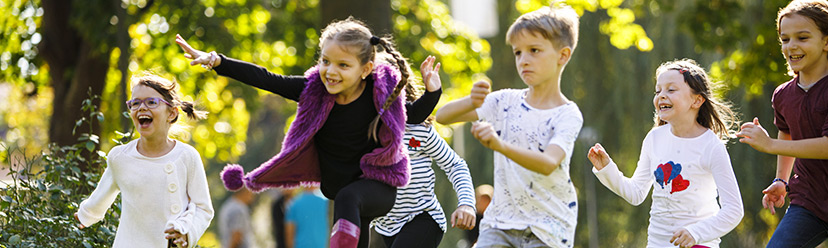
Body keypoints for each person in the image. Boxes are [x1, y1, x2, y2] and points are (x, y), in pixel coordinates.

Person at [176, 16, 441, 248]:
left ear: (366, 70)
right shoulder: (313, 91)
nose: (330, 72)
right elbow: (267, 79)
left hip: (379, 186)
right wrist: (216, 61)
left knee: (351, 197)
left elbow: (414, 115)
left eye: (343, 65)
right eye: (325, 61)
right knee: (349, 207)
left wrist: (433, 92)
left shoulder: (379, 94)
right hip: (339, 187)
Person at [435, 4, 584, 247]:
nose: (524, 60)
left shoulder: (567, 114)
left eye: (534, 50)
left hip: (547, 229)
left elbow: (547, 163)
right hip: (500, 223)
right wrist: (470, 101)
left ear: (563, 55)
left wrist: (499, 145)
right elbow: (443, 116)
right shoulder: (503, 101)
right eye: (518, 52)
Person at [588, 59, 744, 248]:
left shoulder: (711, 146)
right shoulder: (654, 138)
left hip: (698, 244)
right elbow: (636, 193)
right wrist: (607, 169)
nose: (661, 96)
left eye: (671, 90)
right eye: (658, 91)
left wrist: (696, 233)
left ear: (697, 100)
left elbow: (734, 210)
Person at [74, 73, 213, 248]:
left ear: (171, 113)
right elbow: (101, 196)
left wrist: (187, 234)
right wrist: (85, 215)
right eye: (135, 103)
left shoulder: (187, 156)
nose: (141, 108)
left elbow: (203, 208)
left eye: (151, 102)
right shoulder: (120, 157)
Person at [736, 1, 828, 247]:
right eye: (785, 39)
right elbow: (786, 132)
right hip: (809, 202)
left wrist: (770, 145)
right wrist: (781, 180)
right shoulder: (783, 95)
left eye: (803, 37)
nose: (792, 46)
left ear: (826, 42)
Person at [371, 55, 477, 248]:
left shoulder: (418, 129)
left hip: (423, 217)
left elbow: (455, 164)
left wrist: (467, 203)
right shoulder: (364, 132)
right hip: (386, 226)